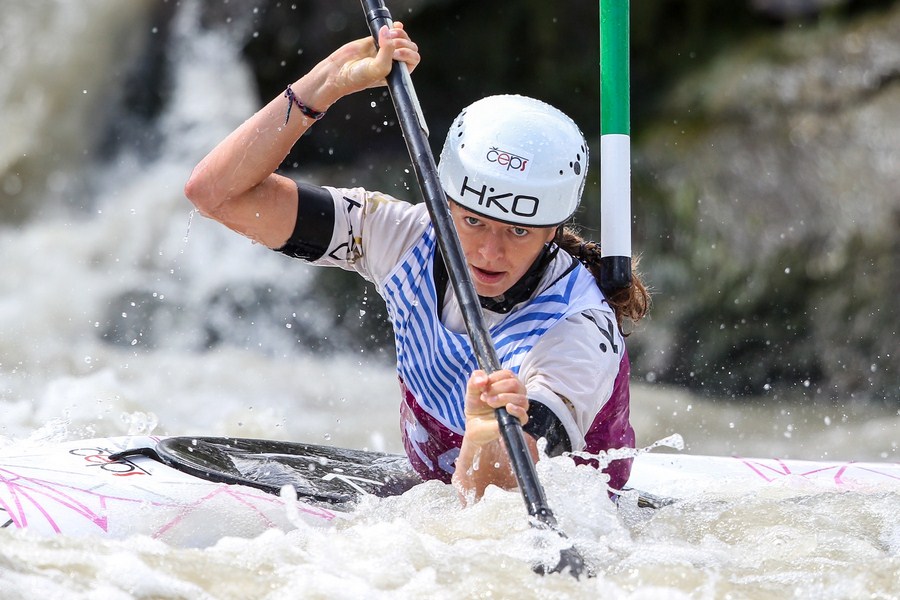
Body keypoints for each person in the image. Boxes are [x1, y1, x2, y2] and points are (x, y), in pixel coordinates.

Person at [184, 23, 649, 504]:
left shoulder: (576, 331)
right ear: (444, 202)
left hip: (573, 515)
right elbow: (216, 194)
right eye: (473, 222)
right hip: (435, 494)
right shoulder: (402, 236)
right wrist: (328, 82)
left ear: (551, 230)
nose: (489, 252)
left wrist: (485, 436)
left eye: (517, 232)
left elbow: (492, 516)